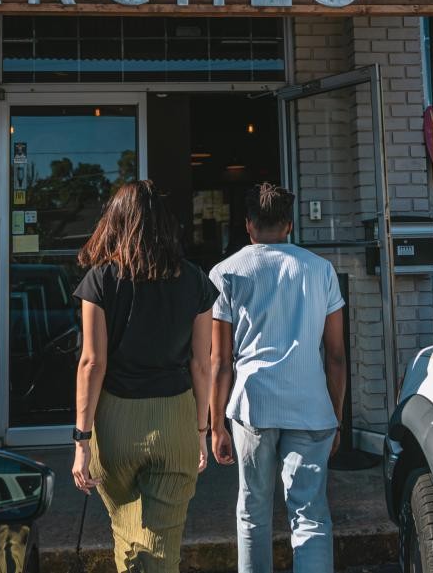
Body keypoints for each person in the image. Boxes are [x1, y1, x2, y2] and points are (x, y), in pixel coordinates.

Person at [71, 180, 219, 573]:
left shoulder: (100, 281)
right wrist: (201, 431)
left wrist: (81, 441)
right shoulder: (195, 280)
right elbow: (201, 364)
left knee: (127, 531)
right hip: (175, 419)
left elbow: (92, 363)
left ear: (115, 222)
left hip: (116, 423)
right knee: (161, 545)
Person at [209, 183, 347, 573]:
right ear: (289, 224)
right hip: (311, 405)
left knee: (253, 512)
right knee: (311, 516)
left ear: (248, 225)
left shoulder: (226, 272)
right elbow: (335, 355)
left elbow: (220, 360)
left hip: (253, 405)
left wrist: (215, 424)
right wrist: (336, 416)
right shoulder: (320, 269)